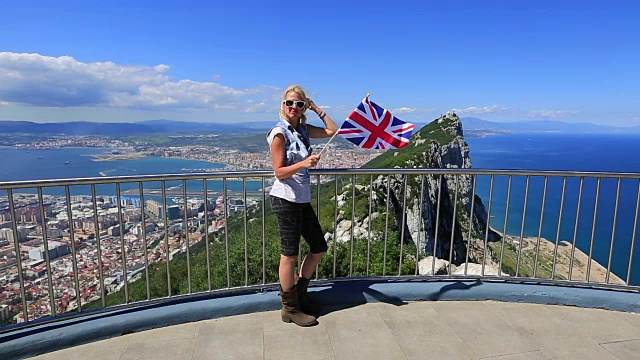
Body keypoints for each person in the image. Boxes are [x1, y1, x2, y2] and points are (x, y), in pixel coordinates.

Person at [267, 84, 338, 326]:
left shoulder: (304, 130)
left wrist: (316, 107)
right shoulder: (279, 133)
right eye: (290, 103)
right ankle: (290, 308)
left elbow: (332, 131)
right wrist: (304, 164)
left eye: (299, 104)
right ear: (283, 105)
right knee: (289, 255)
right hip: (285, 199)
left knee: (318, 246)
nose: (294, 108)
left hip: (301, 199)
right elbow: (279, 172)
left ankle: (300, 295)